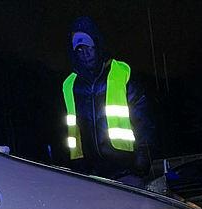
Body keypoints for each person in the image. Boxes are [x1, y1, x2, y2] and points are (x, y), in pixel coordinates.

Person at [62, 16, 154, 187]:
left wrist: (143, 156)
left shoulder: (122, 73)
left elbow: (142, 120)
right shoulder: (70, 85)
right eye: (79, 50)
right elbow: (70, 130)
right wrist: (76, 165)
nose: (85, 54)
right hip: (91, 175)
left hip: (126, 169)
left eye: (88, 47)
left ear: (97, 45)